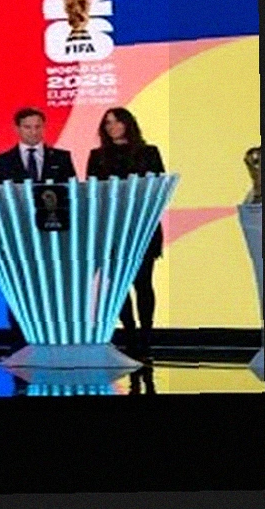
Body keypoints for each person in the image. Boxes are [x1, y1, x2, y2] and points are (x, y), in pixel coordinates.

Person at [0, 108, 78, 347]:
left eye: (38, 126)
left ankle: (52, 342)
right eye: (28, 127)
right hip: (18, 238)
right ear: (17, 129)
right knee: (19, 289)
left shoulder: (61, 158)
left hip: (54, 237)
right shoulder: (2, 162)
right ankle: (19, 345)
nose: (33, 132)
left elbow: (72, 196)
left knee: (53, 289)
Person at [86, 107, 165, 357]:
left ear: (127, 124)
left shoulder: (149, 153)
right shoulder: (97, 156)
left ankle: (146, 335)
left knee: (143, 283)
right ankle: (130, 333)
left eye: (117, 121)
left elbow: (158, 188)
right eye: (107, 123)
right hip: (111, 229)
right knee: (118, 286)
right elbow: (92, 193)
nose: (112, 127)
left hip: (142, 226)